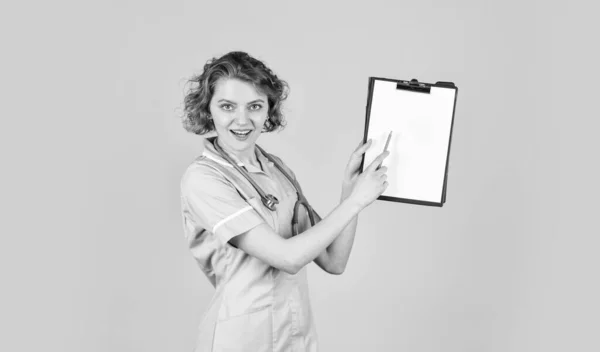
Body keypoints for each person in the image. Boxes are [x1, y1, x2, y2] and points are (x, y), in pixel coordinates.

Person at [179, 51, 389, 352]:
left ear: (268, 111)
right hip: (240, 340)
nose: (242, 120)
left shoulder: (276, 168)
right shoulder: (202, 179)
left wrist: (348, 191)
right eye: (227, 106)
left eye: (255, 106)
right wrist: (355, 202)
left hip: (295, 336)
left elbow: (334, 260)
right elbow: (287, 258)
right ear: (208, 109)